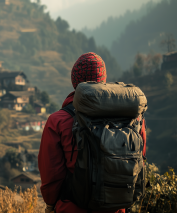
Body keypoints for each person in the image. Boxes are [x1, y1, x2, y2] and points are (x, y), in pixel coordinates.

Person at [38, 52, 147, 213]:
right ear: (103, 80)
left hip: (72, 208)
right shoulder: (133, 118)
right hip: (117, 208)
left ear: (75, 81)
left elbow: (51, 174)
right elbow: (141, 158)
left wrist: (50, 204)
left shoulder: (58, 121)